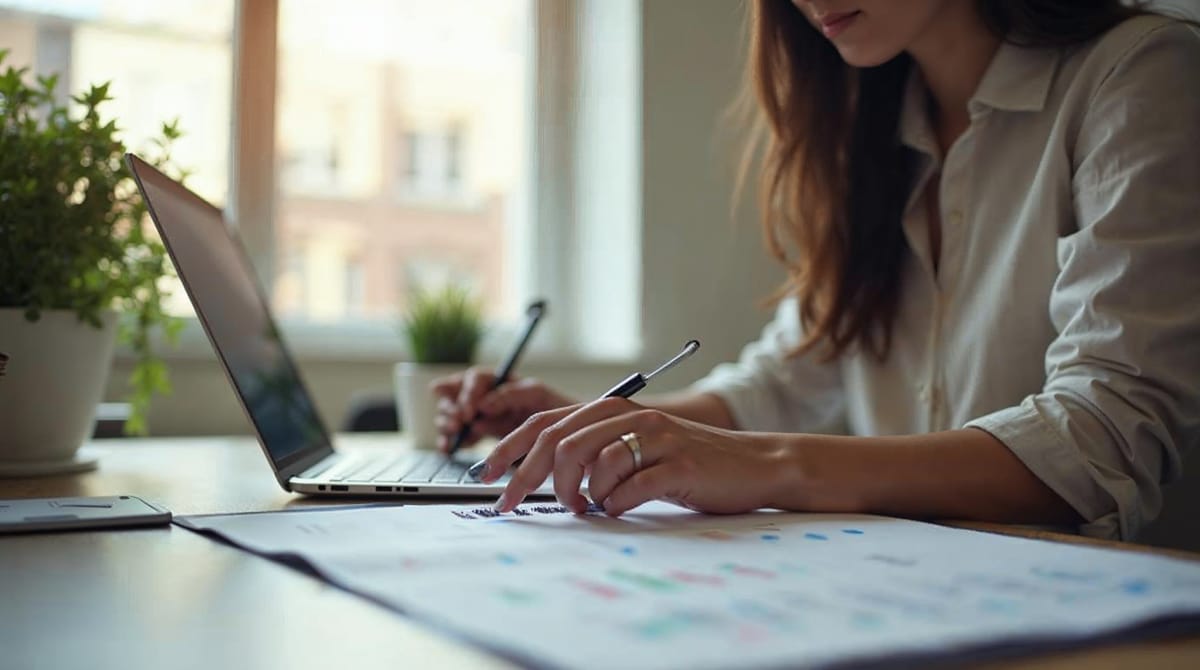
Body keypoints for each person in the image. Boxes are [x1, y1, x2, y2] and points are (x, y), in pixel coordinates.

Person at [432, 0, 1200, 541]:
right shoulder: (866, 131)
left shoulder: (1139, 76)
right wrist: (593, 425)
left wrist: (769, 466)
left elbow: (1103, 438)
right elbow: (783, 383)